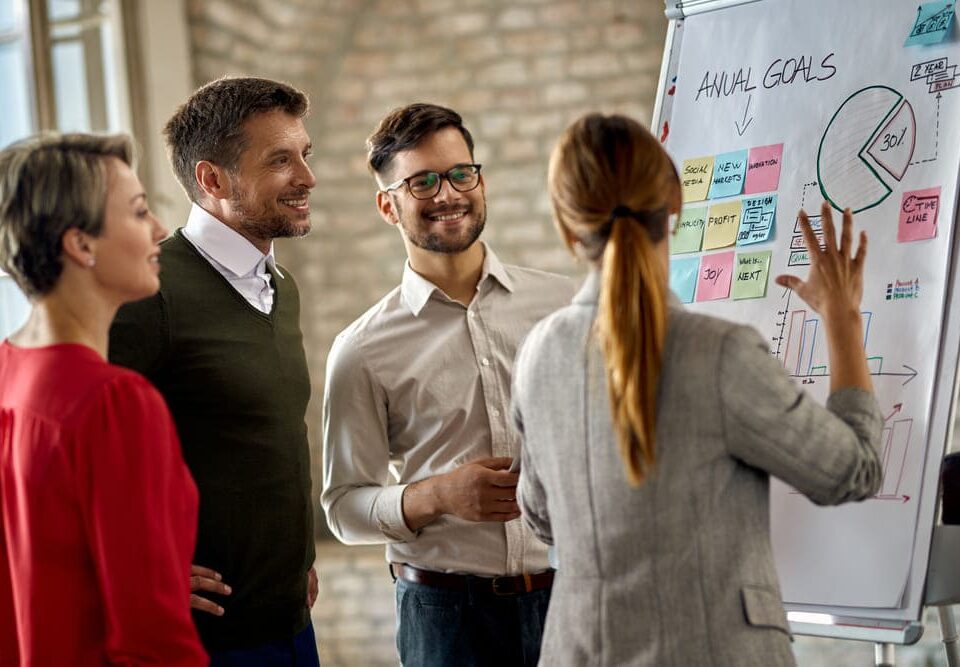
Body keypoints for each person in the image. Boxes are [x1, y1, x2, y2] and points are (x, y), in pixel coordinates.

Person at [512, 113, 883, 666]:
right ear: (674, 206)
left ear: (569, 229)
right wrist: (843, 321)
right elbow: (852, 471)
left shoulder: (537, 353)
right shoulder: (719, 353)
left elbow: (541, 519)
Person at [321, 103, 575, 666]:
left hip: (571, 599)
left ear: (480, 180)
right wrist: (439, 495)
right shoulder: (361, 349)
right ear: (389, 205)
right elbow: (343, 508)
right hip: (445, 619)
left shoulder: (563, 306)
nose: (448, 194)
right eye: (422, 182)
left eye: (461, 173)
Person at [109, 77, 319, 666]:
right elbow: (68, 455)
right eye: (281, 159)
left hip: (291, 623)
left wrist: (295, 560)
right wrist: (138, 567)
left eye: (305, 154)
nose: (307, 177)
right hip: (203, 642)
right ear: (212, 179)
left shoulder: (282, 287)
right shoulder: (150, 290)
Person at [0, 133, 206, 665]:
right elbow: (153, 642)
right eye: (140, 213)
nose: (161, 230)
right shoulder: (116, 404)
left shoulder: (6, 374)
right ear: (81, 245)